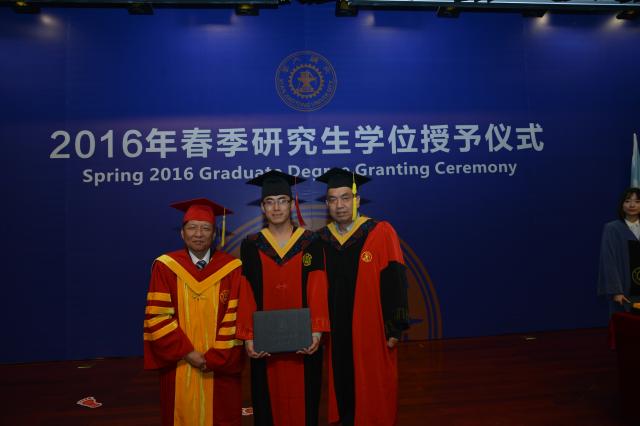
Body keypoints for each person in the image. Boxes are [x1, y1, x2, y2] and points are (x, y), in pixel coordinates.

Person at [315, 168, 410, 426]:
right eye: (333, 199)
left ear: (357, 199)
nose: (340, 205)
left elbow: (395, 279)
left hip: (372, 327)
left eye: (346, 198)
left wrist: (395, 326)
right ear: (327, 204)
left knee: (373, 381)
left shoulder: (379, 231)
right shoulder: (321, 240)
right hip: (336, 329)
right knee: (342, 378)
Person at [236, 170, 330, 426]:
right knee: (266, 400)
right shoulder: (251, 245)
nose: (276, 207)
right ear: (262, 207)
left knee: (306, 400)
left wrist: (317, 331)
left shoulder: (311, 242)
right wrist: (248, 336)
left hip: (303, 340)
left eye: (282, 201)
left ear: (291, 204)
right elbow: (246, 291)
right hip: (265, 342)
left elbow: (317, 285)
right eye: (270, 202)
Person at [143, 198, 245, 426]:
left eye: (206, 228)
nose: (198, 234)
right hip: (180, 361)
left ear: (214, 234)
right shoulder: (165, 266)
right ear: (182, 233)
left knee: (222, 415)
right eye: (192, 227)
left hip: (220, 364)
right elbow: (157, 316)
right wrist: (189, 353)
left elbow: (236, 316)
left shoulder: (232, 268)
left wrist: (215, 358)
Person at [598, 187, 640, 315]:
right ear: (622, 205)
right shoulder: (612, 229)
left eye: (637, 201)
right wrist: (616, 291)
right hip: (624, 290)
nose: (632, 205)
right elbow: (608, 261)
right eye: (627, 201)